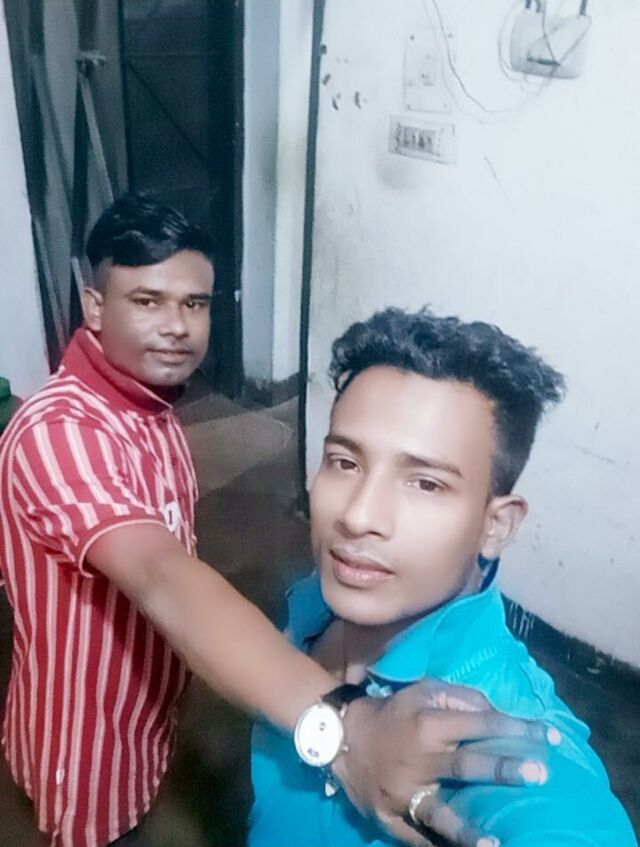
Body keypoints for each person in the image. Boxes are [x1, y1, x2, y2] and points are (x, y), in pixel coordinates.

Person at [0, 195, 555, 847]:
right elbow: (158, 570)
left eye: (195, 304)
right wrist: (345, 730)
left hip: (148, 704)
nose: (177, 327)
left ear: (499, 522)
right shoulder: (57, 433)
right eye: (147, 301)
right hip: (84, 729)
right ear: (95, 308)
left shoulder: (148, 409)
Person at [249, 307, 638, 847]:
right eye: (345, 462)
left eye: (425, 484)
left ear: (496, 526)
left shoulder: (507, 731)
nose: (358, 516)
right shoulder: (313, 599)